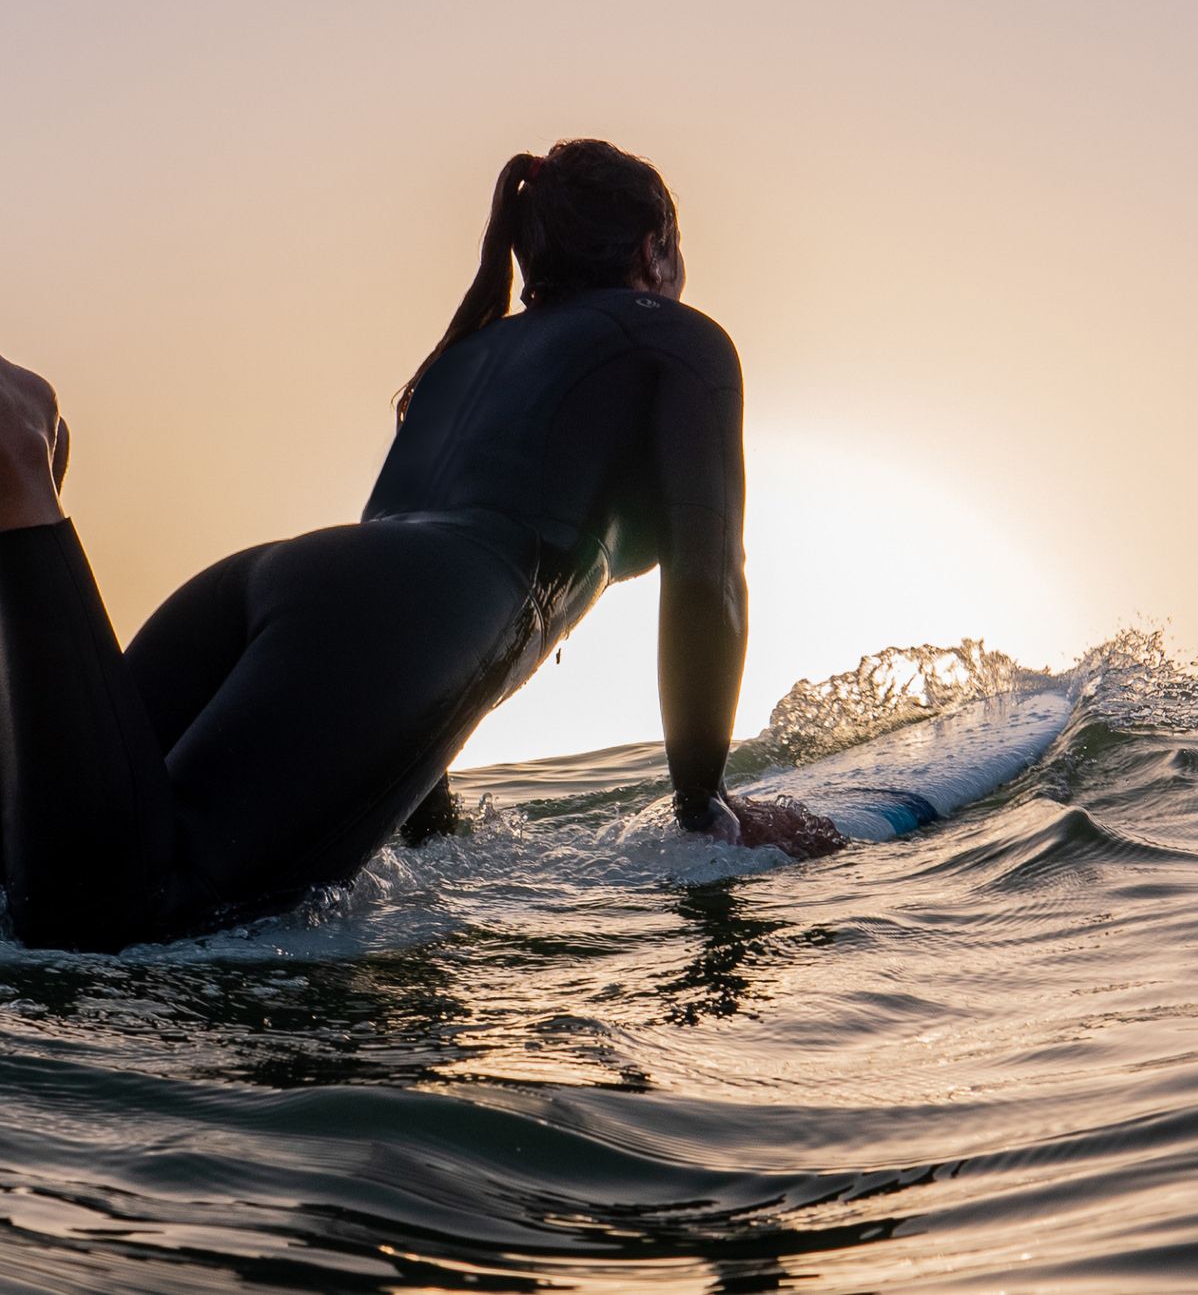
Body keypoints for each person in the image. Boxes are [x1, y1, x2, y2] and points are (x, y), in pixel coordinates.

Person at [0, 138, 839, 954]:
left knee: (33, 877)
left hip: (273, 581)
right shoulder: (676, 336)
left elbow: (391, 660)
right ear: (657, 250)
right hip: (386, 610)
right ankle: (21, 473)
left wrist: (427, 836)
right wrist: (709, 806)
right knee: (123, 918)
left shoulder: (466, 355)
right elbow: (708, 578)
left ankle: (20, 498)